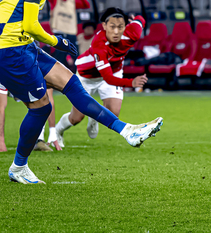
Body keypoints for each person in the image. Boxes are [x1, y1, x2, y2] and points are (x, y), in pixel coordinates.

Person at [0, 0, 163, 184]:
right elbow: (31, 25)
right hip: (8, 49)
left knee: (71, 82)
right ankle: (18, 167)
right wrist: (57, 41)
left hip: (18, 44)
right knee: (41, 107)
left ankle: (127, 132)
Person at [55, 8, 149, 146]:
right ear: (105, 27)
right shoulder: (99, 43)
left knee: (114, 113)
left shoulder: (132, 33)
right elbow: (108, 78)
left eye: (120, 27)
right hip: (87, 76)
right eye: (112, 27)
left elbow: (141, 20)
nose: (116, 32)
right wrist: (131, 82)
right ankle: (58, 131)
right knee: (77, 118)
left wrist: (136, 19)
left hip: (114, 71)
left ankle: (94, 117)